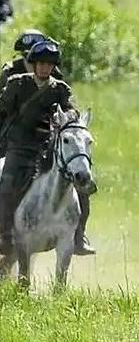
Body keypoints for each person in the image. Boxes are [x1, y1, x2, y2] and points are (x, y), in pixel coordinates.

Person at [0, 40, 81, 255]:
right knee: (7, 183)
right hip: (19, 147)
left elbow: (73, 113)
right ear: (34, 64)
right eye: (41, 63)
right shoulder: (17, 84)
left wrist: (67, 116)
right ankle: (5, 235)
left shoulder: (60, 89)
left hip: (47, 147)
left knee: (79, 181)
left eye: (49, 64)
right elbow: (3, 110)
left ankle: (78, 235)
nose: (45, 68)